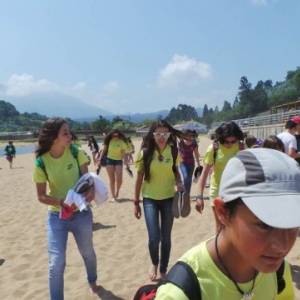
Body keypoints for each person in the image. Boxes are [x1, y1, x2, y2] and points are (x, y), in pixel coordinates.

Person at [156, 148, 299, 299]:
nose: (282, 246)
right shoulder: (180, 293)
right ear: (223, 212)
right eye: (264, 225)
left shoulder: (279, 271)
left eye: (292, 223)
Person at [33, 118, 99, 300]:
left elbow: (88, 180)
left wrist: (91, 191)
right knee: (56, 263)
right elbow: (41, 196)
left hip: (81, 214)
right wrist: (61, 202)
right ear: (54, 138)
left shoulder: (76, 152)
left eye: (69, 132)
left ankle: (92, 280)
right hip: (57, 216)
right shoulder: (41, 162)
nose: (70, 136)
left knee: (87, 252)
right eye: (65, 133)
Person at [134, 120, 183, 281]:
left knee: (166, 237)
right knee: (154, 237)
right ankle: (154, 262)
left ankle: (163, 269)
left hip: (169, 198)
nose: (161, 137)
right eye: (158, 134)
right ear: (153, 135)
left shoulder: (173, 151)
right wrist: (136, 202)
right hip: (149, 199)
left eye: (165, 133)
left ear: (169, 135)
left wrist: (179, 182)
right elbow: (139, 178)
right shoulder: (146, 153)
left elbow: (176, 171)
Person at [196, 121, 244, 230]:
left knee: (235, 227)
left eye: (233, 141)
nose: (230, 144)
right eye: (226, 141)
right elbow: (204, 174)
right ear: (221, 138)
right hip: (217, 191)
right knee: (221, 228)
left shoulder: (240, 147)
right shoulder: (214, 149)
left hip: (236, 192)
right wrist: (199, 197)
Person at [98, 129, 128, 202]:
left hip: (118, 161)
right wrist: (99, 159)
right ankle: (113, 196)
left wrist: (126, 162)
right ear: (111, 135)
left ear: (119, 135)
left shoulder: (121, 142)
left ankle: (117, 191)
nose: (115, 136)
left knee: (119, 180)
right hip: (109, 160)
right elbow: (104, 150)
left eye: (117, 135)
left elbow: (124, 153)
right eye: (114, 135)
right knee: (112, 180)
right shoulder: (109, 141)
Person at [178, 130, 201, 194]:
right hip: (182, 163)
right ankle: (184, 191)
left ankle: (187, 193)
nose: (189, 137)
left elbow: (196, 153)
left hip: (191, 164)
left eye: (191, 136)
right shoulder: (180, 142)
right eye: (187, 135)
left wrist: (198, 164)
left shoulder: (194, 143)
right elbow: (178, 152)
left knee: (189, 179)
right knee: (185, 178)